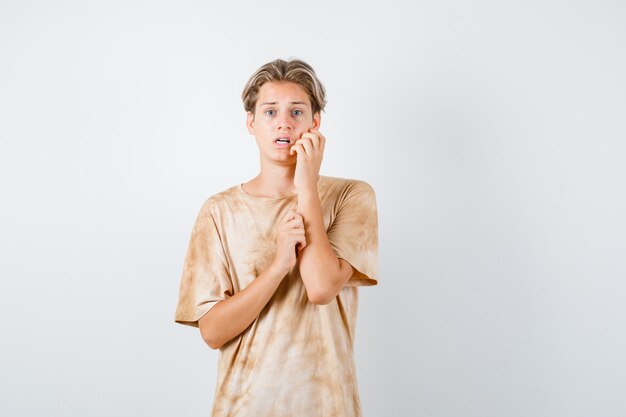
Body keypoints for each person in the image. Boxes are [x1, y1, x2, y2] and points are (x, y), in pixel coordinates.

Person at [174, 58, 378, 417]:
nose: (283, 121)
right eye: (270, 112)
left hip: (328, 405)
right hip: (244, 405)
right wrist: (278, 267)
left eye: (296, 111)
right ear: (251, 122)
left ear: (315, 122)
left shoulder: (352, 196)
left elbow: (321, 289)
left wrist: (305, 186)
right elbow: (212, 332)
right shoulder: (219, 211)